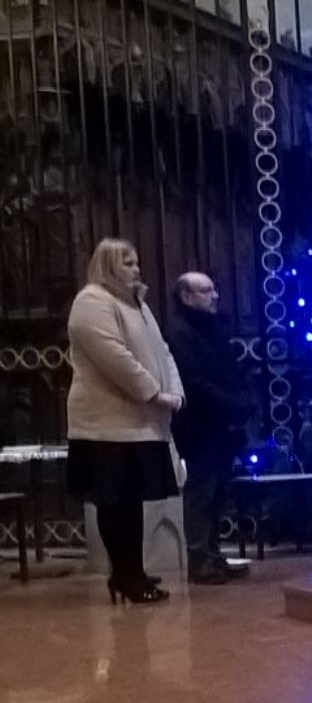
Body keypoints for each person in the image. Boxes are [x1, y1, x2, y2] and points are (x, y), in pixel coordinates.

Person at [66, 238, 183, 605]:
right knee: (114, 502)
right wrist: (154, 393)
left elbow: (161, 351)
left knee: (132, 501)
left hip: (139, 421)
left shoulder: (137, 303)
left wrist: (175, 390)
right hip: (108, 424)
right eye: (128, 263)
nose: (136, 269)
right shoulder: (92, 302)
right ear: (108, 265)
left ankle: (132, 570)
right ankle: (124, 575)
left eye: (137, 262)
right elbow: (114, 357)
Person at [167, 272, 253, 585]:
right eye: (206, 291)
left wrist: (243, 400)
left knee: (219, 492)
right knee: (201, 491)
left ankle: (214, 554)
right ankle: (199, 559)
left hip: (222, 423)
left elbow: (231, 369)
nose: (214, 295)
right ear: (187, 297)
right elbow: (194, 382)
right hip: (199, 424)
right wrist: (233, 403)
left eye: (214, 289)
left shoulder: (214, 327)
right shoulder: (179, 332)